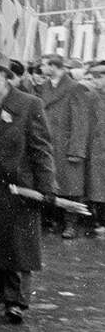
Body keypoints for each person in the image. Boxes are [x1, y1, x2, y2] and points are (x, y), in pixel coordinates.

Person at [0, 49, 56, 324]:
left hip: (20, 186)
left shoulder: (28, 104)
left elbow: (41, 148)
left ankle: (17, 301)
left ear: (3, 75)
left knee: (19, 246)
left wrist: (46, 189)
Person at [40, 54, 91, 239]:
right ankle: (56, 221)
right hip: (49, 143)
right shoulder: (45, 86)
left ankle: (70, 224)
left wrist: (77, 150)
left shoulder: (75, 88)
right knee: (54, 185)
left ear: (54, 66)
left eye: (44, 65)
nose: (41, 69)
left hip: (67, 145)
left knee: (71, 187)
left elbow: (80, 122)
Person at [82, 60, 105, 235]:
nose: (96, 80)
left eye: (100, 76)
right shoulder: (90, 96)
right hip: (95, 147)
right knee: (96, 186)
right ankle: (98, 220)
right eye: (95, 76)